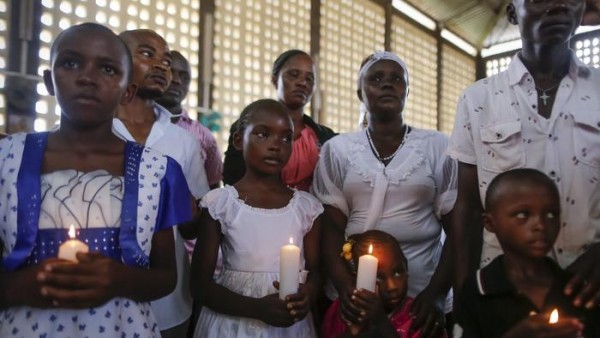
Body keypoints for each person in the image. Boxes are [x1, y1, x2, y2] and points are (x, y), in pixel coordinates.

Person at [0, 22, 192, 337]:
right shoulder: (6, 159)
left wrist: (119, 279)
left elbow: (166, 277)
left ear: (127, 91)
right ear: (49, 81)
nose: (87, 78)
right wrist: (16, 287)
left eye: (107, 69)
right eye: (71, 63)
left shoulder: (156, 171)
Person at [448, 0, 600, 312]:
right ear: (513, 12)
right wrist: (465, 296)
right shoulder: (478, 99)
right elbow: (466, 207)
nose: (558, 5)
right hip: (505, 293)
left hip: (590, 285)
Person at [312, 51, 456, 338]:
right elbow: (330, 230)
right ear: (360, 92)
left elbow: (458, 229)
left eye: (396, 79)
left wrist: (437, 293)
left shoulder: (437, 146)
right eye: (376, 78)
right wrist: (346, 289)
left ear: (407, 90)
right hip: (355, 292)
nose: (387, 84)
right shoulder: (338, 150)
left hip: (421, 294)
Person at [191, 99, 323, 337]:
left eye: (285, 138)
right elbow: (199, 286)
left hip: (290, 325)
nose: (276, 145)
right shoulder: (220, 204)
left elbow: (317, 272)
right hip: (231, 326)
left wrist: (308, 293)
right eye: (263, 134)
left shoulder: (307, 208)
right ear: (239, 140)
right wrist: (257, 308)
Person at [116, 29, 210, 338]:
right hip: (104, 296)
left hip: (168, 302)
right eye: (147, 54)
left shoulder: (182, 140)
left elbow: (192, 227)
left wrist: (192, 211)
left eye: (166, 60)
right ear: (116, 60)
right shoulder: (90, 129)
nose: (160, 65)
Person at [455, 168, 600, 338]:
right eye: (523, 214)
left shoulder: (576, 290)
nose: (540, 225)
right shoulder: (477, 292)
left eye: (551, 214)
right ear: (490, 223)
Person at [222, 49, 336, 191]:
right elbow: (232, 179)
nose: (302, 83)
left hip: (312, 211)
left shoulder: (327, 138)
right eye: (294, 75)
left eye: (309, 79)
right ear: (275, 80)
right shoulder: (247, 127)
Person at [322, 230, 448, 338]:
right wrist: (355, 331)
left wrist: (380, 322)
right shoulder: (344, 310)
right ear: (358, 278)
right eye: (378, 277)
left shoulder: (418, 316)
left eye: (398, 272)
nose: (392, 286)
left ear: (406, 267)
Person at [156, 50, 223, 190]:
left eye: (184, 77)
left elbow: (213, 189)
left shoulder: (204, 136)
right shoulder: (135, 125)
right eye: (171, 72)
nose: (177, 80)